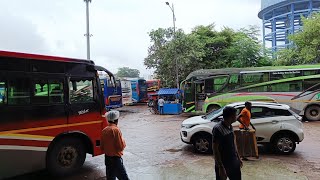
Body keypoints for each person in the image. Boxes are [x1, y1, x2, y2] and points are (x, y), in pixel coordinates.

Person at [212, 106, 243, 180]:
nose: (237, 116)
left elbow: (233, 142)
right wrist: (221, 167)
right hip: (223, 164)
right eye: (236, 115)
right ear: (231, 117)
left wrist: (238, 157)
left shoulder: (230, 126)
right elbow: (215, 149)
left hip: (233, 161)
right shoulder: (218, 129)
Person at [101, 110, 129, 180]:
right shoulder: (116, 130)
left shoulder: (104, 130)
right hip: (116, 160)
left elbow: (102, 147)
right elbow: (120, 147)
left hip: (107, 158)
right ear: (116, 120)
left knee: (110, 178)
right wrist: (124, 142)